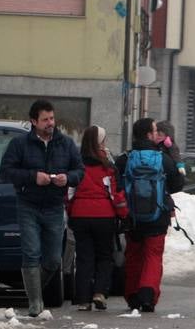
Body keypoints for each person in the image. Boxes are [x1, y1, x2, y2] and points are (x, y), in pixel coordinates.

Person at [0, 100, 84, 317]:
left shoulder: (65, 144)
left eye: (52, 118)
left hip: (55, 206)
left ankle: (32, 291)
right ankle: (35, 302)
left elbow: (79, 170)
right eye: (45, 120)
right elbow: (6, 172)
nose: (50, 123)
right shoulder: (20, 145)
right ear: (33, 121)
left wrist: (68, 178)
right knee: (31, 253)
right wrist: (33, 177)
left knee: (54, 259)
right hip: (28, 204)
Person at [116, 118, 185, 312]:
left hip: (132, 216)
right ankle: (148, 294)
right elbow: (178, 183)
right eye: (155, 131)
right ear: (148, 134)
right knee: (153, 256)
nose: (157, 134)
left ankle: (132, 296)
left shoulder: (126, 158)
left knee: (134, 255)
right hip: (157, 215)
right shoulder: (162, 158)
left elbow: (115, 181)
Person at [67, 126, 127, 312]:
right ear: (99, 142)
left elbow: (69, 193)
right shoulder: (107, 166)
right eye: (103, 140)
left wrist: (71, 212)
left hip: (80, 216)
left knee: (84, 258)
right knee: (104, 256)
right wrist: (124, 215)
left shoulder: (76, 165)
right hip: (104, 216)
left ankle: (83, 299)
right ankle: (99, 292)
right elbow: (116, 195)